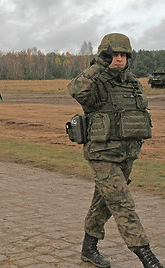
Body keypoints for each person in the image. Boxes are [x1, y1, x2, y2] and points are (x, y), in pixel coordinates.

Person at [68, 33, 163, 268]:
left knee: (103, 203)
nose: (118, 59)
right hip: (102, 155)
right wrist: (99, 64)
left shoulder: (132, 83)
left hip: (126, 155)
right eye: (114, 55)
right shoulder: (96, 82)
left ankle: (89, 249)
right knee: (122, 203)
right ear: (104, 56)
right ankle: (147, 257)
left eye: (122, 55)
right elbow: (75, 89)